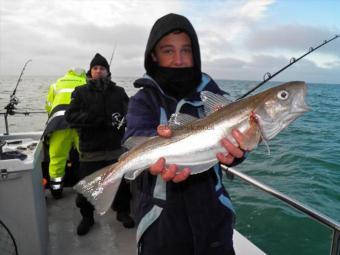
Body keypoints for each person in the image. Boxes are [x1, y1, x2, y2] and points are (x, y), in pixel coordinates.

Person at [124, 13, 247, 255]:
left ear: (195, 54)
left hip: (213, 217)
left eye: (186, 50)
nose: (179, 59)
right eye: (169, 51)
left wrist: (239, 152)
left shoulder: (214, 96)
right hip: (161, 221)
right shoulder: (143, 99)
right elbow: (134, 137)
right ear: (154, 56)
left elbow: (236, 144)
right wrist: (156, 142)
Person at [65, 53, 134, 236]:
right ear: (90, 72)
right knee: (87, 187)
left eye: (102, 68)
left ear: (107, 72)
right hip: (90, 150)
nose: (98, 71)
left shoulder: (119, 92)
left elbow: (130, 114)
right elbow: (70, 116)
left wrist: (125, 121)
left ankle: (122, 212)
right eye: (95, 68)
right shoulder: (80, 92)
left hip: (115, 149)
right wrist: (93, 119)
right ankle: (87, 217)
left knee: (120, 184)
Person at [43, 68, 87, 199]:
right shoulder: (86, 82)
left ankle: (56, 190)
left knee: (57, 157)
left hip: (58, 123)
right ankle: (86, 187)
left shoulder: (56, 84)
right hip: (80, 124)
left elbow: (48, 106)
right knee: (86, 156)